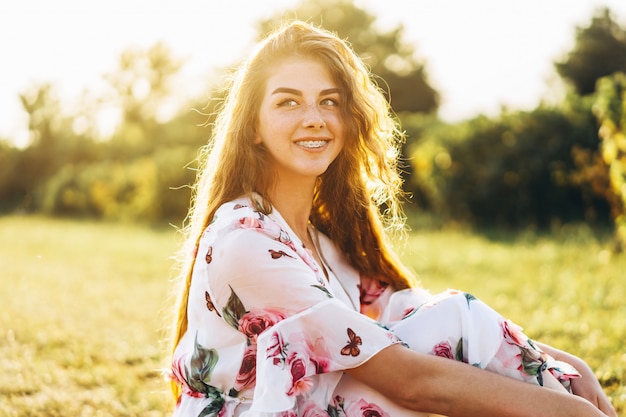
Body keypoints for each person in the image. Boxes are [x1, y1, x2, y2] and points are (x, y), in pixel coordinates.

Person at [168, 20, 617, 417]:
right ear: (253, 127)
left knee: (449, 321)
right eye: (288, 103)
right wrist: (570, 411)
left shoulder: (321, 242)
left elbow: (411, 316)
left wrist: (566, 365)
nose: (314, 119)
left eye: (330, 101)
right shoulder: (245, 242)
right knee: (405, 372)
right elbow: (412, 381)